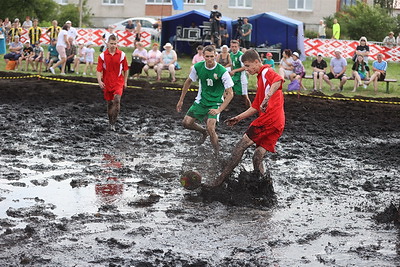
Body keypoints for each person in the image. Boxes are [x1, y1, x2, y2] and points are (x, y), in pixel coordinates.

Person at [207, 49, 285, 187]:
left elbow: (278, 80)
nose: (246, 69)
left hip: (269, 119)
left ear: (256, 62)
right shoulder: (260, 77)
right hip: (278, 122)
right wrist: (238, 117)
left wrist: (268, 97)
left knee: (241, 145)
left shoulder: (266, 71)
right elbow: (255, 107)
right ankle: (263, 185)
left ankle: (219, 180)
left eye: (248, 66)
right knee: (257, 156)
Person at [176, 45, 234, 156]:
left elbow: (230, 93)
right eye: (207, 56)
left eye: (212, 56)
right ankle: (203, 132)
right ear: (203, 56)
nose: (209, 59)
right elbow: (188, 82)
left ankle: (217, 153)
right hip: (201, 100)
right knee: (186, 123)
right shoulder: (197, 67)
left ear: (216, 56)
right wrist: (181, 100)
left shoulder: (222, 71)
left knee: (211, 128)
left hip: (215, 102)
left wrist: (219, 109)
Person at [96, 34, 129, 131]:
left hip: (118, 82)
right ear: (107, 43)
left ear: (117, 43)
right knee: (109, 103)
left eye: (115, 43)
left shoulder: (122, 55)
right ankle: (110, 122)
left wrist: (125, 81)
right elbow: (98, 70)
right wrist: (99, 81)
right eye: (111, 43)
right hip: (107, 82)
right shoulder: (102, 56)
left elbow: (126, 69)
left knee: (117, 99)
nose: (113, 45)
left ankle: (114, 123)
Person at [229, 40, 251, 108]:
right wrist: (231, 72)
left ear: (238, 47)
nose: (234, 48)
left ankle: (250, 108)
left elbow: (245, 67)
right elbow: (233, 65)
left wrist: (234, 71)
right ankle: (226, 107)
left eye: (235, 46)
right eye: (232, 46)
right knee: (227, 90)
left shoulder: (241, 55)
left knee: (244, 95)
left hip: (241, 78)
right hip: (235, 77)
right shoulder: (231, 54)